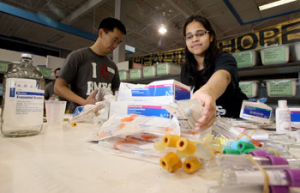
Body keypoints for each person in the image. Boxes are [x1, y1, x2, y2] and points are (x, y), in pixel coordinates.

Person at [181, 15, 248, 131]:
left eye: (200, 34)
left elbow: (223, 76)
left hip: (235, 124)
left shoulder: (224, 58)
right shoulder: (186, 69)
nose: (194, 39)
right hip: (208, 126)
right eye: (189, 36)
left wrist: (207, 92)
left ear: (211, 36)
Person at [54, 17, 126, 112]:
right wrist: (84, 102)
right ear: (101, 33)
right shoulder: (78, 57)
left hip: (103, 120)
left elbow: (116, 92)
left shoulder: (112, 66)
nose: (115, 46)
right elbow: (58, 87)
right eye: (114, 40)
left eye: (119, 43)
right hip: (80, 119)